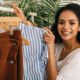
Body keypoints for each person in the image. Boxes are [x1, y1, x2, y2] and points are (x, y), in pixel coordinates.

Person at [43, 3, 80, 80]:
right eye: (61, 22)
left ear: (79, 27)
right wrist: (26, 23)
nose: (65, 27)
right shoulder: (58, 46)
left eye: (72, 23)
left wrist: (50, 49)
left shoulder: (78, 58)